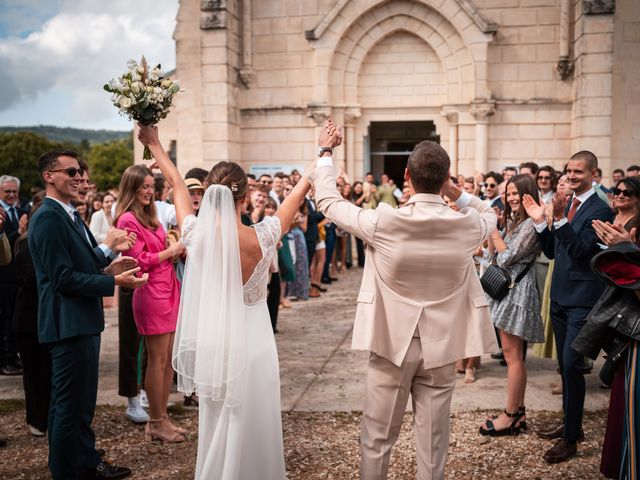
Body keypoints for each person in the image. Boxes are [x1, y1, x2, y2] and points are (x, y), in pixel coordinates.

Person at [309, 120, 498, 479]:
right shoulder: (467, 224)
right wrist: (456, 193)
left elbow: (328, 202)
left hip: (392, 343)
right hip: (442, 346)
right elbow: (491, 212)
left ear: (406, 175)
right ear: (446, 178)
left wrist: (325, 152)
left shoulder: (384, 222)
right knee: (433, 442)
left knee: (377, 439)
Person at [138, 123, 312, 480]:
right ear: (245, 198)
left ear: (212, 193)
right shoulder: (263, 237)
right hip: (256, 342)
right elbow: (298, 192)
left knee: (219, 418)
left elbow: (177, 185)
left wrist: (154, 143)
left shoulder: (195, 235)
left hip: (215, 342)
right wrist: (324, 151)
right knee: (256, 417)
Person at [29, 149, 145, 480]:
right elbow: (62, 278)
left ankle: (84, 459)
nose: (79, 177)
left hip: (80, 320)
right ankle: (67, 470)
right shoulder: (48, 217)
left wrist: (109, 263)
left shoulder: (69, 214)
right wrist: (112, 281)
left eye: (80, 172)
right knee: (68, 406)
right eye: (71, 172)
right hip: (67, 323)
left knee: (80, 404)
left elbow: (81, 264)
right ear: (49, 177)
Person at [522, 150, 614, 463]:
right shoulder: (568, 204)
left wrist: (559, 219)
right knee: (564, 365)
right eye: (569, 171)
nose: (572, 176)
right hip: (560, 297)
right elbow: (553, 249)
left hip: (582, 301)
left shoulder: (600, 209)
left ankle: (571, 439)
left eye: (578, 172)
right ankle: (570, 424)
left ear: (594, 174)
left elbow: (579, 251)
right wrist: (540, 224)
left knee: (573, 365)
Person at [115, 165, 186, 443]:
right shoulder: (127, 220)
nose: (148, 191)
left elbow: (158, 252)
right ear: (131, 188)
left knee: (168, 361)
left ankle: (163, 417)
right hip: (150, 293)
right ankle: (155, 421)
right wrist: (168, 251)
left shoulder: (151, 216)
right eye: (143, 186)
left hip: (169, 288)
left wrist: (173, 252)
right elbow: (137, 261)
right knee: (156, 362)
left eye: (150, 186)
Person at [478, 175, 544, 436]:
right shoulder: (516, 222)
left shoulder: (529, 224)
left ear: (529, 193)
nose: (512, 198)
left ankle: (510, 416)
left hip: (518, 291)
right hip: (509, 289)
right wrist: (487, 242)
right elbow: (495, 254)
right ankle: (518, 411)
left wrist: (493, 228)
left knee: (513, 357)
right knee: (513, 356)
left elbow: (505, 258)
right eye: (509, 193)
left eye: (516, 193)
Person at [13, 192, 51, 437]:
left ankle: (45, 416)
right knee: (34, 372)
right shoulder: (26, 244)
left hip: (41, 316)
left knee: (46, 370)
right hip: (28, 319)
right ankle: (36, 419)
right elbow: (32, 280)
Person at [0, 174, 26, 376]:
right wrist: (18, 231)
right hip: (4, 274)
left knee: (16, 317)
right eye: (7, 191)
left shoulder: (20, 211)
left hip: (19, 273)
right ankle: (6, 359)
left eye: (14, 192)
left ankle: (14, 356)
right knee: (6, 318)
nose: (11, 195)